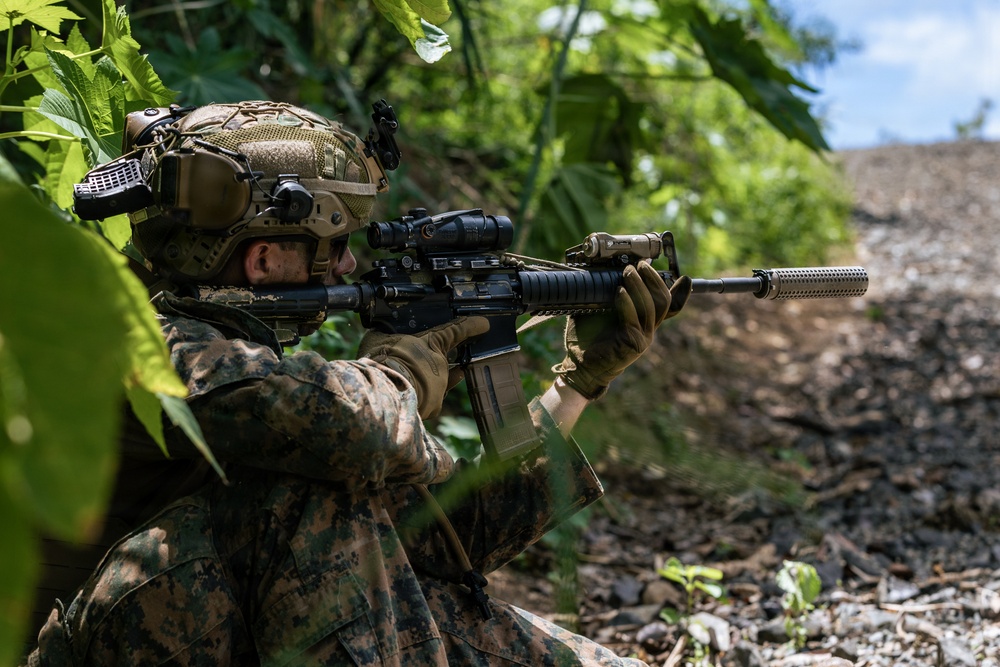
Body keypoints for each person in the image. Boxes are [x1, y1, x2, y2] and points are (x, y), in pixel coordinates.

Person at [26, 100, 691, 666]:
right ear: (263, 258)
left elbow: (439, 540)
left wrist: (577, 381)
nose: (348, 262)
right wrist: (404, 366)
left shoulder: (235, 352)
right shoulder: (141, 346)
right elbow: (363, 429)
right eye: (335, 240)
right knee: (309, 494)